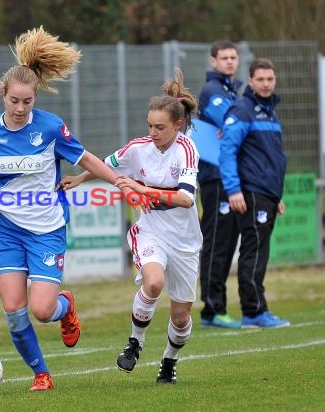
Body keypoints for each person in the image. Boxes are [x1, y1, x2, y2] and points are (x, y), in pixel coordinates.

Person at [0, 26, 122, 391]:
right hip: (5, 231)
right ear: (3, 94)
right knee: (16, 313)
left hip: (47, 228)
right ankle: (41, 374)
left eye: (27, 102)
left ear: (36, 98)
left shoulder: (50, 128)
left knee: (42, 310)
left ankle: (66, 306)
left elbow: (86, 158)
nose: (20, 109)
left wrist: (118, 181)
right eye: (14, 101)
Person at [61, 69, 202, 384]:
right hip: (151, 230)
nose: (153, 132)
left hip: (185, 241)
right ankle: (135, 342)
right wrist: (80, 177)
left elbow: (185, 199)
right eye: (150, 125)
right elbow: (106, 164)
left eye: (160, 127)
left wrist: (143, 191)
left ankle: (169, 361)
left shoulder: (187, 151)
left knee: (180, 317)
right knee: (152, 283)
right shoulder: (138, 147)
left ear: (178, 126)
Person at [219, 58, 289, 328]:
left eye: (270, 79)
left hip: (267, 194)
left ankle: (255, 309)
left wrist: (276, 196)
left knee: (259, 251)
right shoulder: (243, 109)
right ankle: (253, 311)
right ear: (250, 81)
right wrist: (233, 189)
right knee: (254, 252)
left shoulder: (269, 112)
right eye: (260, 79)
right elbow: (227, 151)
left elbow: (271, 158)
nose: (266, 84)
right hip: (250, 192)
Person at [197, 41, 243, 329]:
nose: (229, 62)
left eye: (233, 57)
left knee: (227, 244)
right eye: (224, 58)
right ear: (213, 61)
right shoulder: (212, 91)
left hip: (229, 176)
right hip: (214, 176)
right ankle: (212, 310)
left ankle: (217, 307)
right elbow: (234, 120)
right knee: (215, 242)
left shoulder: (230, 90)